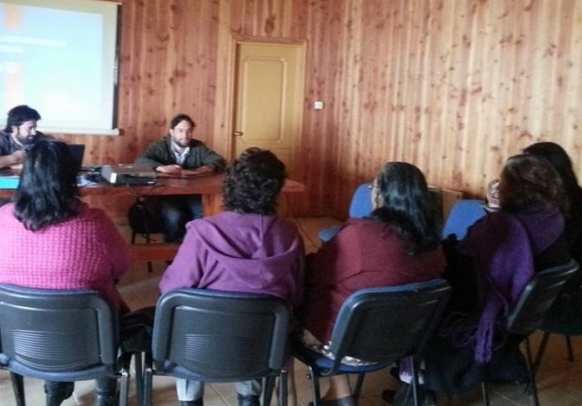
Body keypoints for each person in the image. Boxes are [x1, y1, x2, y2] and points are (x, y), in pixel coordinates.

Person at [410, 154, 571, 403]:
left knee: (426, 300)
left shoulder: (502, 226)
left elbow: (463, 263)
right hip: (524, 316)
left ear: (513, 187)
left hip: (490, 315)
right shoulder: (553, 218)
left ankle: (419, 385)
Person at [0, 139, 131, 406]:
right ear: (71, 178)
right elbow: (122, 265)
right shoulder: (95, 223)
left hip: (21, 338)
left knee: (49, 303)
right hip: (91, 338)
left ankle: (54, 388)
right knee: (107, 303)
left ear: (26, 174)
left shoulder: (3, 218)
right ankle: (106, 392)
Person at [158, 148, 304, 406]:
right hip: (261, 350)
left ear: (231, 185)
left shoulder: (202, 232)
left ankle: (190, 400)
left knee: (186, 315)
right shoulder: (290, 234)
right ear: (275, 190)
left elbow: (171, 290)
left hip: (196, 349)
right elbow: (296, 293)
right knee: (258, 321)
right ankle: (250, 398)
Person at [300, 162, 446, 406]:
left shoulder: (358, 236)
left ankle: (339, 392)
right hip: (403, 346)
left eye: (374, 186)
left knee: (293, 303)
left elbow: (315, 276)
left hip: (346, 348)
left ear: (381, 194)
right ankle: (339, 394)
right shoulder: (434, 245)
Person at [135, 114, 226, 242]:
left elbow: (218, 160)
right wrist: (160, 167)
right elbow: (140, 161)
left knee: (202, 212)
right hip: (165, 195)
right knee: (174, 215)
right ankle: (172, 254)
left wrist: (209, 167)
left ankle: (195, 247)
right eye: (181, 130)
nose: (185, 135)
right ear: (172, 132)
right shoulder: (159, 146)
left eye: (189, 131)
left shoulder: (198, 146)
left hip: (192, 193)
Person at [0, 104, 52, 227]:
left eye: (35, 127)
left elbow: (53, 163)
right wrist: (15, 158)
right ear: (14, 128)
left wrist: (4, 165)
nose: (34, 132)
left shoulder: (41, 139)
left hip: (35, 193)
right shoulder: (0, 139)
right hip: (1, 194)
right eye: (29, 128)